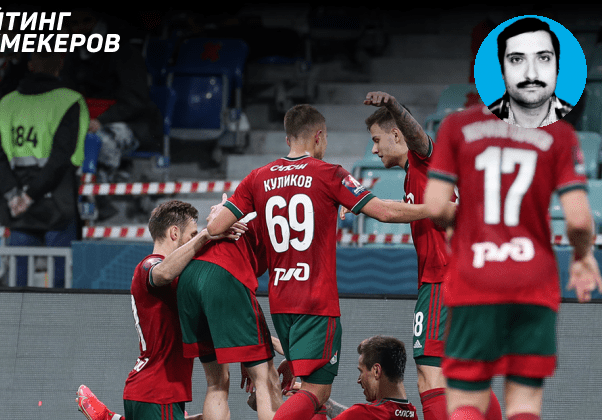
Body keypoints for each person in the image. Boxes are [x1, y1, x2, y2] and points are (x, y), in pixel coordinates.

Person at [205, 104, 428, 420]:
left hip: (280, 300)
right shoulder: (329, 173)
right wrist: (434, 209)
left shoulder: (257, 177)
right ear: (319, 136)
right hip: (316, 301)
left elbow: (215, 227)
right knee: (317, 391)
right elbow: (384, 212)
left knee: (306, 392)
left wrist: (227, 220)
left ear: (288, 139)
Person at [424, 105, 602, 420]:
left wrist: (462, 225)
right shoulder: (559, 133)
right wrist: (582, 256)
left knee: (466, 399)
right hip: (532, 281)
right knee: (524, 403)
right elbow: (578, 222)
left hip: (474, 278)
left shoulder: (456, 125)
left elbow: (436, 206)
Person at [358, 91, 502, 420]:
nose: (375, 149)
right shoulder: (418, 175)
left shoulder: (424, 160)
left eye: (377, 140)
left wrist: (394, 107)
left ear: (397, 135)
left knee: (429, 373)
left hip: (441, 278)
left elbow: (420, 139)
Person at [76, 199, 244, 420]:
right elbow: (163, 273)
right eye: (192, 234)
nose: (196, 239)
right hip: (157, 391)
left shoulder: (179, 276)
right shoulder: (150, 265)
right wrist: (206, 234)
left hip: (154, 393)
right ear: (174, 233)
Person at [0, 50, 89, 288]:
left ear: (30, 65)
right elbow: (61, 158)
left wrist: (15, 196)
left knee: (18, 281)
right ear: (60, 64)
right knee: (60, 281)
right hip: (57, 200)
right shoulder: (69, 101)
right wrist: (30, 196)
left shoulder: (8, 103)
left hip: (18, 205)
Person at [177, 206, 283, 420]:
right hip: (224, 272)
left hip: (189, 276)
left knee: (216, 383)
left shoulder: (235, 208)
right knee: (265, 379)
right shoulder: (278, 209)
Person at [61, 7, 163, 181]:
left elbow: (135, 100)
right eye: (75, 23)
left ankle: (100, 191)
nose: (81, 28)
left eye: (87, 21)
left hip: (133, 124)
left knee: (98, 140)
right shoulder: (73, 56)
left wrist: (101, 120)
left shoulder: (126, 52)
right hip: (88, 120)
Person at [273, 336, 419, 420]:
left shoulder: (366, 414)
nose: (358, 380)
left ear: (376, 371)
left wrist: (311, 397)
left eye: (361, 371)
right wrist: (324, 400)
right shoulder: (411, 413)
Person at [486, 17, 573, 128]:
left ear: (557, 67)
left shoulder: (578, 121)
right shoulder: (481, 121)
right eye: (516, 59)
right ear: (502, 70)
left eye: (544, 58)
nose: (531, 75)